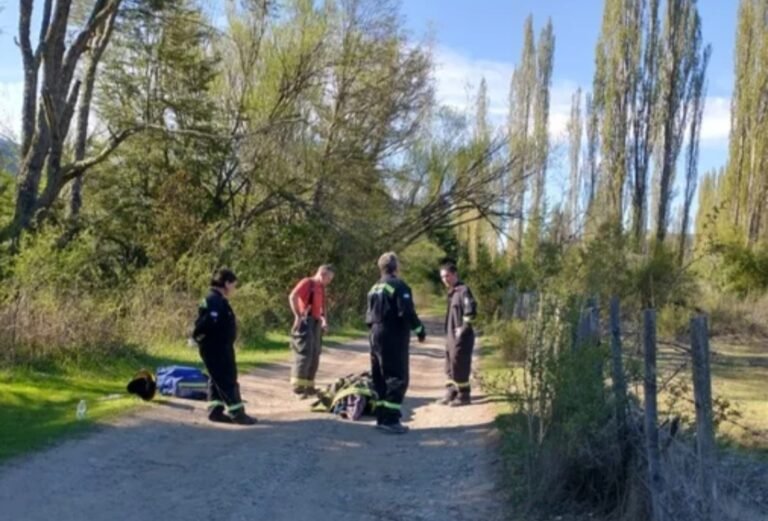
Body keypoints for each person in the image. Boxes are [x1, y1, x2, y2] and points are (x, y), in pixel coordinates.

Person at [366, 252, 426, 434]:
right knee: (397, 376)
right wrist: (419, 330)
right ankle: (391, 420)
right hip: (392, 333)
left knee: (380, 377)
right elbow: (407, 311)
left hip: (374, 333)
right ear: (395, 267)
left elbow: (368, 315)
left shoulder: (374, 287)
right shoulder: (398, 285)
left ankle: (382, 417)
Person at [192, 268, 257, 425]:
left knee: (216, 379)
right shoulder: (214, 300)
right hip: (216, 348)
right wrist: (201, 338)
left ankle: (215, 411)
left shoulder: (217, 299)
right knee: (227, 379)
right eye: (233, 285)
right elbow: (207, 323)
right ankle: (238, 414)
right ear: (226, 283)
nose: (234, 289)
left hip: (220, 346)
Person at [289, 265, 335, 397]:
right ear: (322, 273)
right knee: (304, 354)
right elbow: (292, 296)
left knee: (315, 354)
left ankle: (309, 387)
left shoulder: (321, 288)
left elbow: (322, 307)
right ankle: (298, 388)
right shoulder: (307, 283)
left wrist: (324, 321)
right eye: (329, 278)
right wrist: (297, 315)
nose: (329, 281)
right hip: (305, 321)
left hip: (316, 323)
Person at [438, 262, 477, 406]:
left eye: (447, 276)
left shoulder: (463, 290)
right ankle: (452, 391)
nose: (445, 279)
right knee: (449, 364)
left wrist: (464, 328)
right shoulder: (452, 292)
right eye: (442, 277)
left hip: (462, 337)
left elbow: (470, 310)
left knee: (459, 364)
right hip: (450, 336)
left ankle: (464, 395)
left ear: (455, 274)